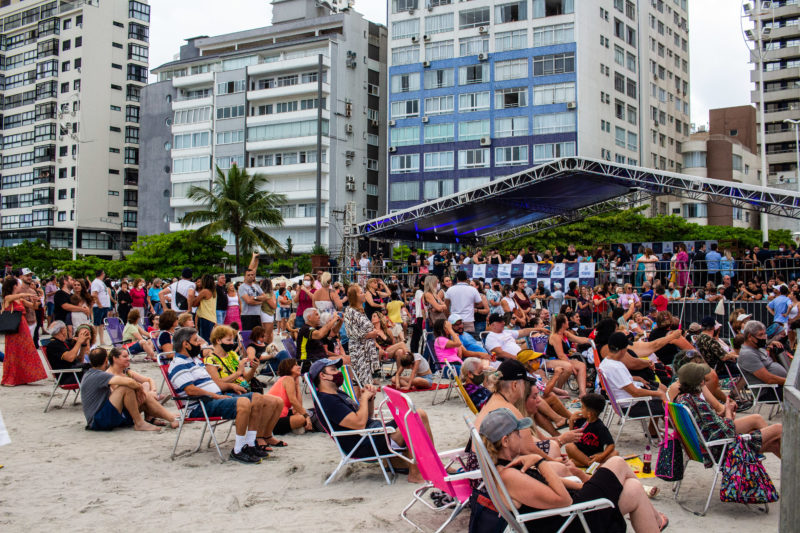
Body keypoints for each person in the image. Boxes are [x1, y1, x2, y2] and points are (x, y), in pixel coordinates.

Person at [474, 408, 667, 533]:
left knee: (633, 488)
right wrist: (540, 462)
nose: (522, 436)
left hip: (571, 513)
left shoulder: (508, 466)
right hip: (571, 521)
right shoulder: (509, 476)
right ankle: (656, 518)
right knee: (617, 462)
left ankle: (655, 520)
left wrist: (583, 482)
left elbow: (546, 487)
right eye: (517, 433)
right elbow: (563, 500)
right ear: (505, 441)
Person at [167, 327, 281, 463]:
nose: (200, 343)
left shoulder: (195, 360)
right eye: (196, 340)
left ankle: (250, 444)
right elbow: (191, 390)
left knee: (256, 397)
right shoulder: (178, 365)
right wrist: (217, 396)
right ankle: (238, 450)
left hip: (214, 399)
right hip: (200, 405)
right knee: (244, 402)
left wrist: (228, 388)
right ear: (185, 344)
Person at [311, 358, 430, 483]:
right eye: (333, 369)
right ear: (323, 375)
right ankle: (417, 473)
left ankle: (428, 464)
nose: (338, 373)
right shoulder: (328, 400)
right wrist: (363, 399)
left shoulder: (338, 394)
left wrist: (369, 398)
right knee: (417, 416)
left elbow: (367, 417)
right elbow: (359, 424)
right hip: (364, 445)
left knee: (413, 413)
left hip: (372, 434)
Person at [675, 363, 782, 462]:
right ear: (702, 382)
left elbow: (708, 424)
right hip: (722, 449)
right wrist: (728, 412)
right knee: (778, 429)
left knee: (758, 422)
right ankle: (790, 475)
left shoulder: (683, 399)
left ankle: (794, 476)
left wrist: (722, 414)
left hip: (706, 444)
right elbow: (728, 432)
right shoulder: (698, 404)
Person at [80, 347, 160, 431]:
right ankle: (140, 423)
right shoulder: (100, 375)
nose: (128, 359)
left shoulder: (89, 374)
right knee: (126, 388)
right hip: (98, 421)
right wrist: (139, 387)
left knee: (145, 396)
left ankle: (171, 418)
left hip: (97, 419)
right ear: (106, 360)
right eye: (125, 356)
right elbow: (128, 383)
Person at [598, 332, 666, 421]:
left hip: (625, 401)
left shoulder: (605, 362)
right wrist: (658, 393)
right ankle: (676, 431)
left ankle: (654, 432)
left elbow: (616, 380)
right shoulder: (616, 367)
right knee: (665, 403)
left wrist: (636, 378)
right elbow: (635, 392)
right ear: (622, 350)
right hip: (631, 406)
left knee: (659, 391)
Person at [106, 347, 178, 427]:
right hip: (122, 411)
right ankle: (169, 418)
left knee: (146, 385)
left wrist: (153, 391)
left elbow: (149, 380)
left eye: (128, 356)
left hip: (134, 406)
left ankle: (153, 416)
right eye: (125, 356)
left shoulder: (127, 372)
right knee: (146, 396)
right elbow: (115, 398)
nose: (128, 358)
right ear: (115, 358)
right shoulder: (108, 376)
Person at [1, 276, 47, 386]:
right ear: (14, 286)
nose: (20, 286)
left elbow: (34, 307)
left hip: (23, 326)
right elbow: (18, 296)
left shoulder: (19, 299)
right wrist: (28, 294)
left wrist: (37, 301)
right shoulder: (8, 297)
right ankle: (12, 378)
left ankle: (23, 377)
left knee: (25, 350)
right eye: (18, 284)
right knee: (13, 352)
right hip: (14, 327)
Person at [343, 284, 382, 386]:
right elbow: (352, 333)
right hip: (359, 351)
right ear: (354, 296)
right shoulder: (350, 311)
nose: (364, 294)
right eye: (361, 292)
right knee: (363, 384)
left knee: (366, 384)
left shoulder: (359, 310)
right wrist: (371, 334)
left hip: (366, 350)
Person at [565, 393, 617, 467]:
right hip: (579, 454)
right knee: (569, 446)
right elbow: (572, 438)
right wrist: (571, 421)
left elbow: (611, 445)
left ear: (589, 414)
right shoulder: (580, 420)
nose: (580, 409)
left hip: (594, 456)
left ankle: (587, 464)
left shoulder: (600, 427)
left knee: (614, 453)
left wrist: (601, 456)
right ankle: (592, 465)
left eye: (582, 407)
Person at [739, 320, 787, 400]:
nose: (764, 337)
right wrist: (789, 382)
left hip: (777, 386)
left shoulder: (757, 347)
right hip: (769, 391)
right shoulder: (748, 354)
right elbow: (769, 379)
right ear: (750, 337)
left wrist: (771, 349)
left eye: (765, 333)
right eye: (761, 335)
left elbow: (771, 365)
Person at [268, 358, 313, 434]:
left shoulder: (288, 380)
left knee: (299, 413)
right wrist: (306, 416)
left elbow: (297, 408)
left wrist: (297, 386)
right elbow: (293, 401)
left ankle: (296, 426)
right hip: (271, 421)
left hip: (276, 416)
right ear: (289, 367)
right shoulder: (288, 379)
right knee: (301, 418)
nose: (299, 367)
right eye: (296, 365)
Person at [298, 307, 343, 372]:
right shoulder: (305, 329)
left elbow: (333, 333)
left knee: (348, 358)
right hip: (308, 361)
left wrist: (340, 321)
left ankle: (348, 380)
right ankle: (347, 381)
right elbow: (319, 335)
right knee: (346, 360)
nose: (319, 317)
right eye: (316, 314)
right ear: (309, 318)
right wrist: (334, 319)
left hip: (319, 358)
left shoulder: (316, 328)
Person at [45, 321, 89, 385]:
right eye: (65, 328)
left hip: (75, 372)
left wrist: (83, 344)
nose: (66, 331)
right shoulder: (53, 345)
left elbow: (80, 360)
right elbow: (70, 358)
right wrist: (79, 342)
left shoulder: (65, 342)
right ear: (62, 330)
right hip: (66, 377)